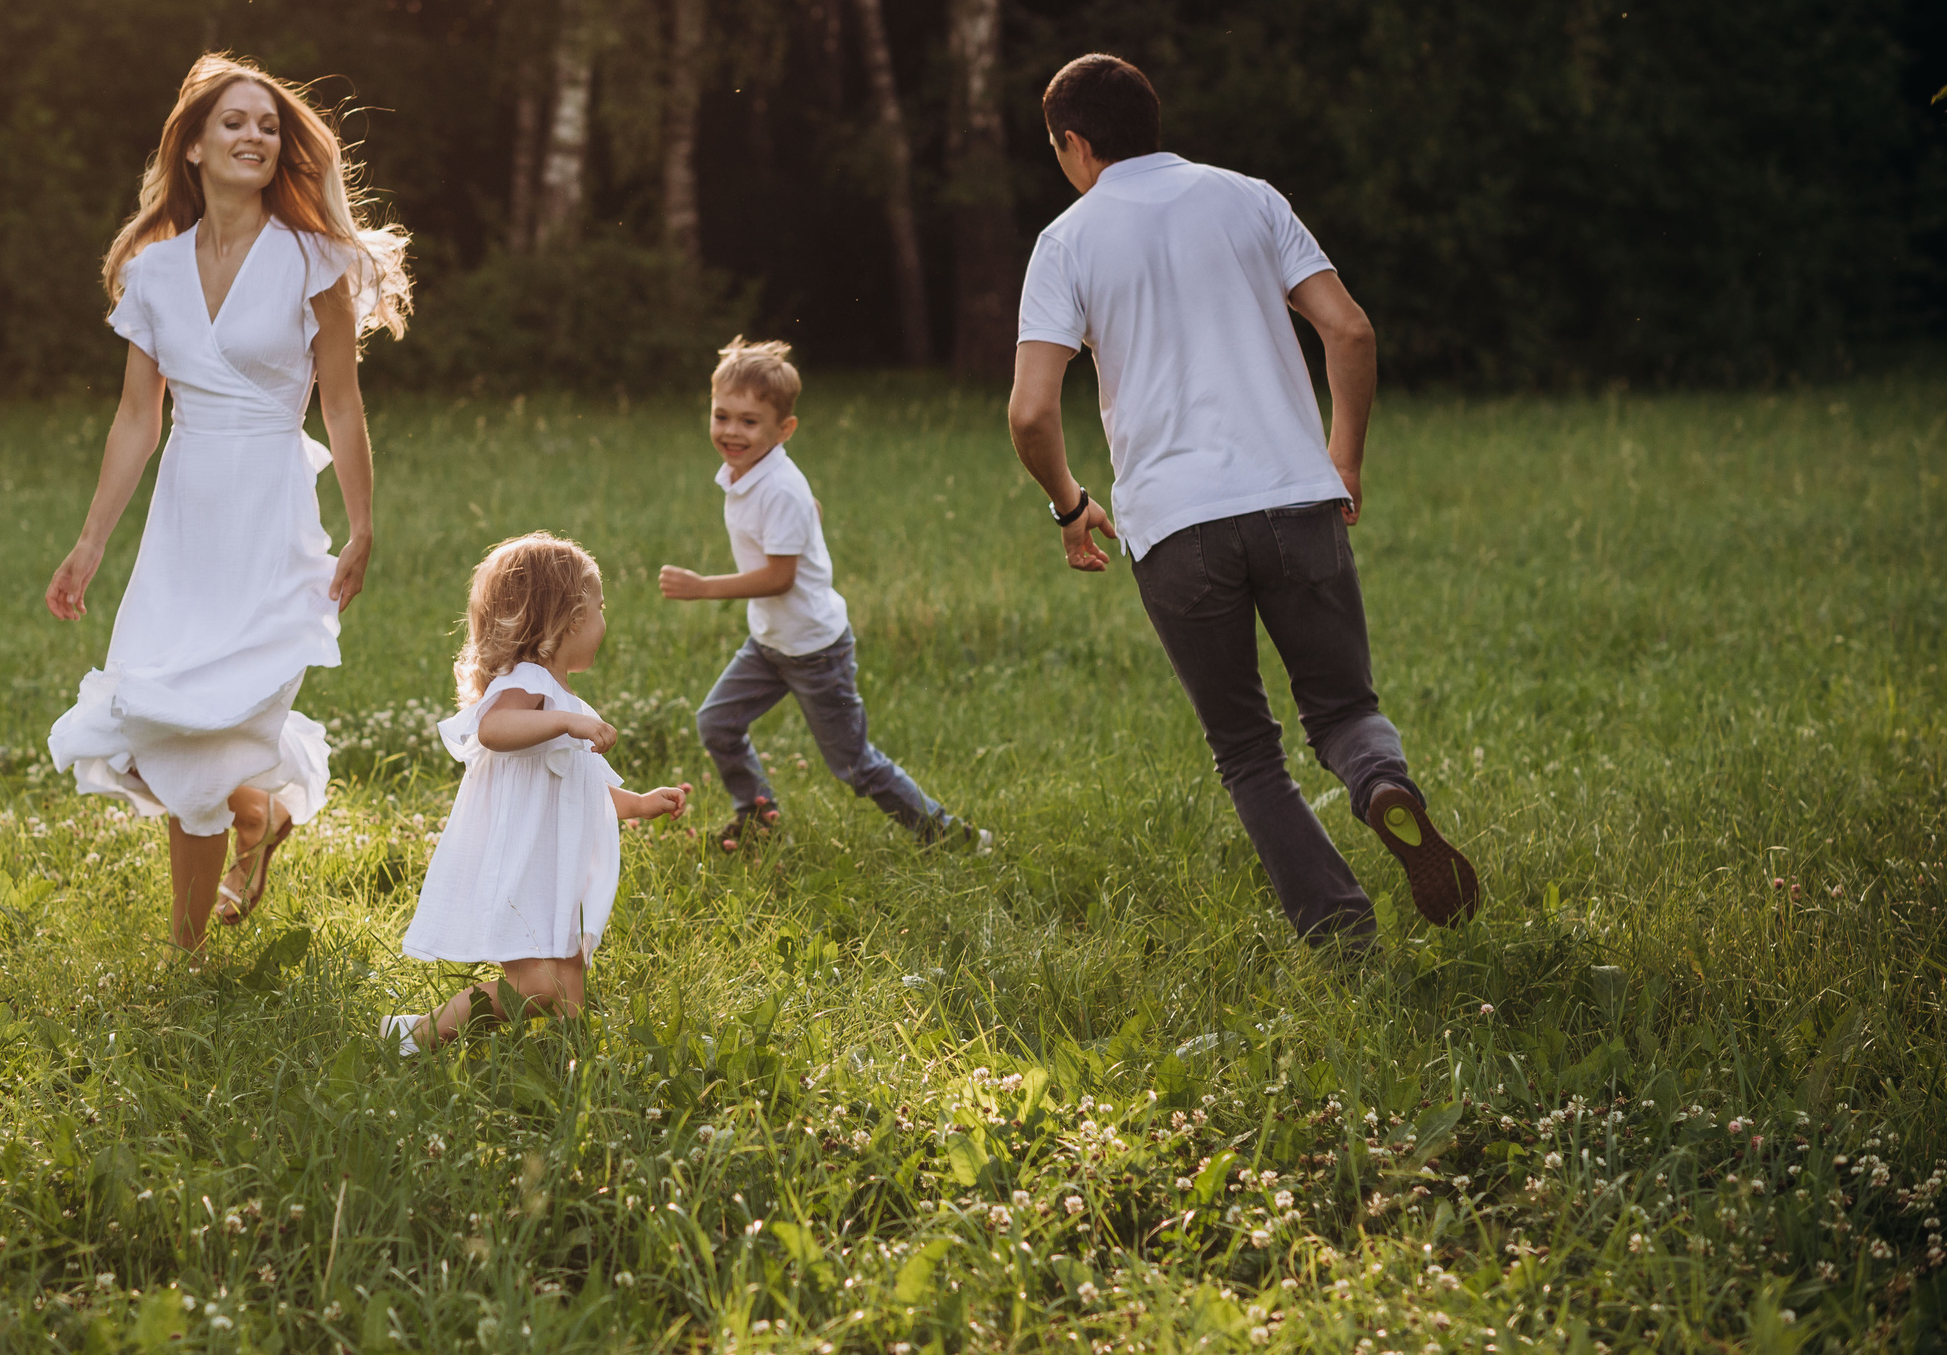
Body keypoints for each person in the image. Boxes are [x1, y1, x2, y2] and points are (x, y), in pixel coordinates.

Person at [1006, 53, 1480, 943]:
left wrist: (1070, 505)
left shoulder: (1066, 241)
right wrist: (1344, 459)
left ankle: (1341, 932)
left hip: (1176, 526)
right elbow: (1350, 330)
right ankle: (1382, 782)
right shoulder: (1250, 197)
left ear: (1074, 143)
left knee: (1248, 750)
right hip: (1297, 500)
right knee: (1344, 709)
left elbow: (1031, 413)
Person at [44, 53, 411, 954]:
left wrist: (363, 524)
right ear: (194, 147)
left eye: (269, 126)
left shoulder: (311, 258)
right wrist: (90, 542)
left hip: (268, 514)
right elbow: (138, 418)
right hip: (184, 521)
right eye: (235, 122)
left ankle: (187, 954)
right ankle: (259, 813)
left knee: (207, 730)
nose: (256, 136)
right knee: (149, 718)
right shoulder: (154, 272)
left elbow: (342, 404)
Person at [660, 337, 988, 855]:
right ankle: (758, 816)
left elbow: (779, 578)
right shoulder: (748, 472)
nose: (731, 431)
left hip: (815, 651)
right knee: (717, 723)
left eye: (749, 421)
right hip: (771, 642)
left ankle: (954, 838)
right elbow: (795, 516)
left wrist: (702, 588)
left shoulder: (778, 487)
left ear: (783, 430)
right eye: (722, 416)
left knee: (854, 766)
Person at [383, 534, 690, 1052]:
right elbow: (493, 729)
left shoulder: (563, 701)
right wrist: (566, 722)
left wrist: (640, 803)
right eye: (600, 609)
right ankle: (415, 1034)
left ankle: (574, 1063)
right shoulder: (527, 681)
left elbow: (584, 787)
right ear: (569, 620)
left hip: (553, 872)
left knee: (568, 980)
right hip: (523, 868)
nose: (604, 620)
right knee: (537, 986)